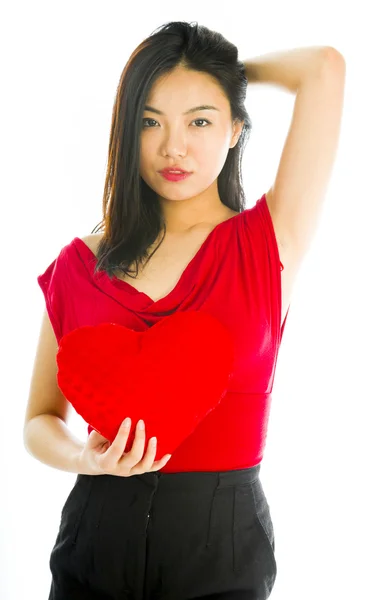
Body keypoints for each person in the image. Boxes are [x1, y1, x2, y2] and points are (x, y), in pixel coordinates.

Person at [24, 19, 346, 600]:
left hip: (221, 544)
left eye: (200, 120)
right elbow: (38, 421)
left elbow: (324, 67)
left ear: (234, 129)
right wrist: (86, 459)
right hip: (94, 540)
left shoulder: (269, 242)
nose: (174, 146)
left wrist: (230, 74)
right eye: (150, 122)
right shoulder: (79, 265)